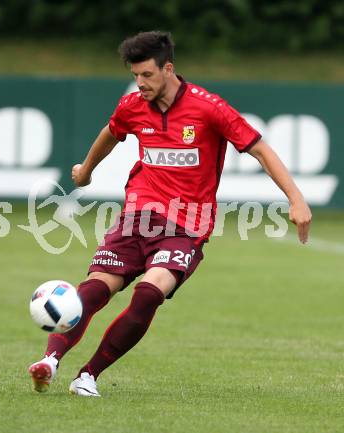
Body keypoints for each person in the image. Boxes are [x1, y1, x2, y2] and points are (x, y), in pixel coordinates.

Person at [28, 31, 312, 397]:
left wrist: (296, 198)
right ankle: (49, 362)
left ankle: (88, 375)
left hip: (186, 225)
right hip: (137, 217)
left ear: (168, 68)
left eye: (147, 75)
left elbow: (260, 150)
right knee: (96, 288)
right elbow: (111, 133)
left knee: (148, 294)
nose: (140, 83)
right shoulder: (133, 106)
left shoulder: (208, 108)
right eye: (135, 76)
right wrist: (86, 170)